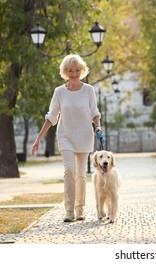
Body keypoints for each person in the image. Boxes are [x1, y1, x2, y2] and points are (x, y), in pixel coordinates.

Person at [32, 54, 102, 222]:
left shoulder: (89, 90)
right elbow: (51, 117)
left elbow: (94, 112)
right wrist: (39, 138)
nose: (74, 73)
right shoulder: (59, 92)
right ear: (65, 72)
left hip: (84, 135)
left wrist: (98, 126)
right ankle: (69, 210)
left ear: (82, 70)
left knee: (81, 174)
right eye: (70, 70)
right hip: (65, 136)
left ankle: (80, 209)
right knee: (69, 170)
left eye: (77, 70)